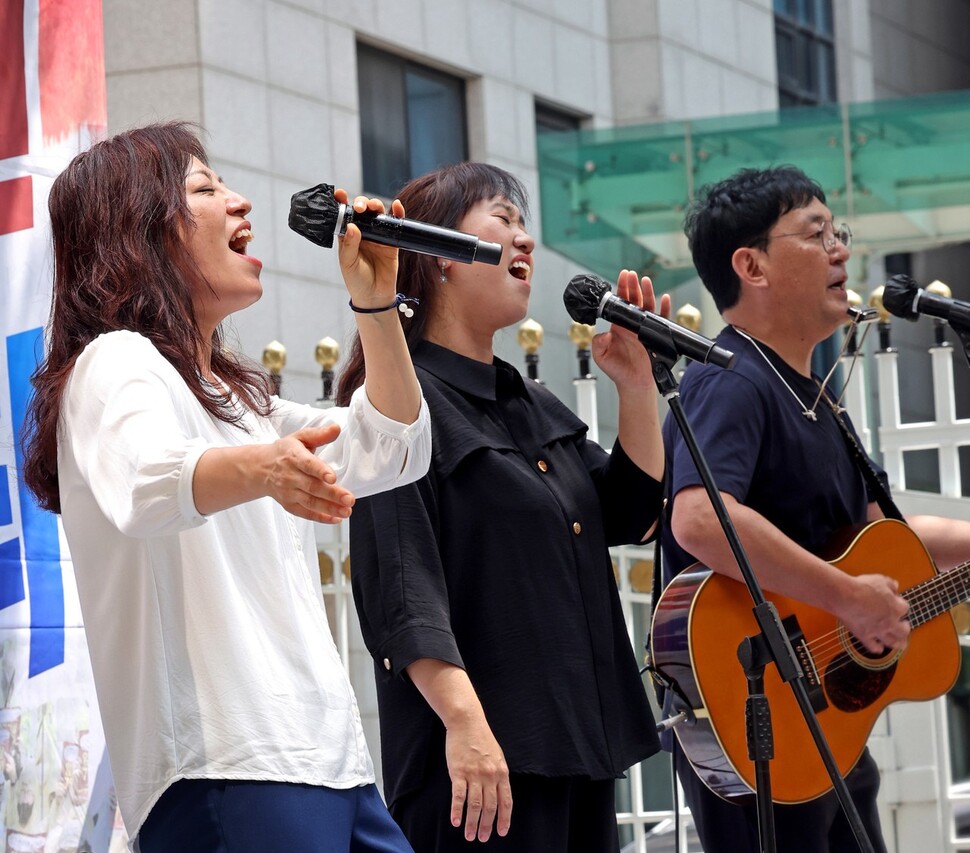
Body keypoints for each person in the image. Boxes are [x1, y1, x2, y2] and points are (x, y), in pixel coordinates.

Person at [21, 122, 431, 853]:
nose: (240, 202)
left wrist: (376, 304)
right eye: (205, 190)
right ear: (137, 232)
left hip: (330, 763)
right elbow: (147, 482)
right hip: (224, 767)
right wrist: (264, 468)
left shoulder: (244, 402)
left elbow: (392, 447)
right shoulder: (115, 362)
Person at [337, 161, 668, 852]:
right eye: (502, 218)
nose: (525, 241)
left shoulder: (528, 401)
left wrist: (637, 387)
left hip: (575, 751)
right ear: (442, 258)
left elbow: (632, 513)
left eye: (524, 224)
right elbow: (402, 589)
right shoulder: (401, 403)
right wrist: (465, 723)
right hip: (480, 772)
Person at [660, 164, 970, 852]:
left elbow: (879, 536)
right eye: (816, 232)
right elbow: (700, 519)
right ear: (752, 265)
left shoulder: (815, 396)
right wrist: (847, 597)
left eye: (840, 232)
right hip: (756, 712)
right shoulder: (729, 376)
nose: (841, 250)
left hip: (822, 720)